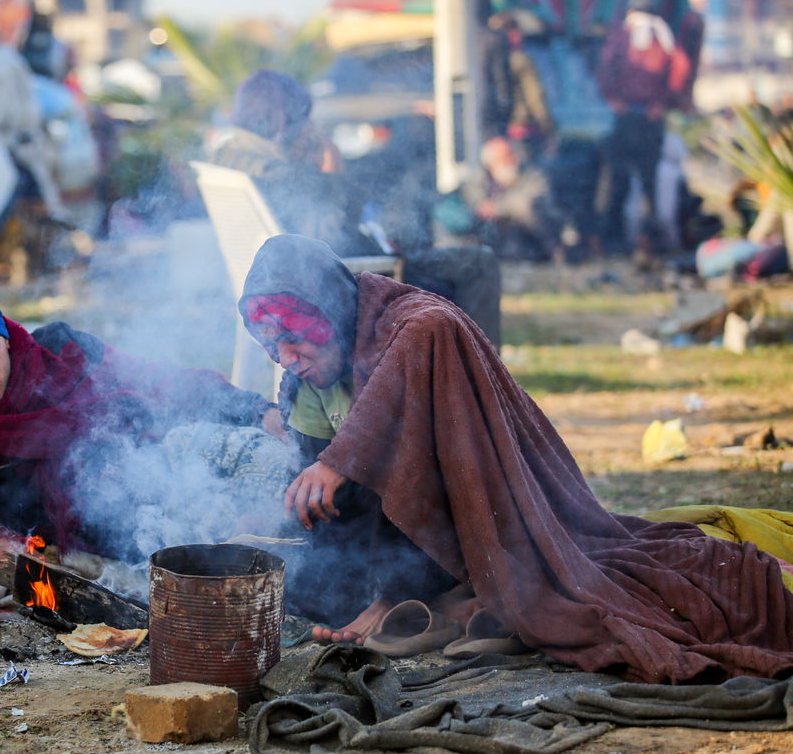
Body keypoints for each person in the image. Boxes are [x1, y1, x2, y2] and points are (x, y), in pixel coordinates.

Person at [239, 233, 793, 683]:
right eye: (273, 347)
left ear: (334, 314)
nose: (288, 358)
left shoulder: (412, 323)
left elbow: (430, 339)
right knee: (305, 585)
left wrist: (341, 460)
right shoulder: (307, 385)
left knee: (578, 598)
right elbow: (340, 509)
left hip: (480, 518)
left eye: (297, 339)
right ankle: (439, 600)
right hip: (401, 539)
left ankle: (452, 596)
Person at [0, 266, 282, 575]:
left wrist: (257, 410)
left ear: (5, 337)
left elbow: (164, 384)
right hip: (112, 548)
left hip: (173, 485)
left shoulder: (64, 352)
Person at [205, 69, 503, 346]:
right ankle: (483, 378)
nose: (308, 128)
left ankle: (456, 371)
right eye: (303, 118)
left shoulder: (230, 156)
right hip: (346, 281)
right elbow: (331, 234)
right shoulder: (276, 170)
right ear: (283, 119)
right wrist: (333, 171)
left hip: (290, 282)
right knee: (478, 264)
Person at [595, 0, 693, 255]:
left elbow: (679, 71)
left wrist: (661, 103)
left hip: (649, 122)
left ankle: (650, 240)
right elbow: (606, 70)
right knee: (620, 180)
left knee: (648, 183)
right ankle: (615, 240)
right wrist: (614, 99)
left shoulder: (662, 41)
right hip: (626, 120)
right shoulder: (624, 38)